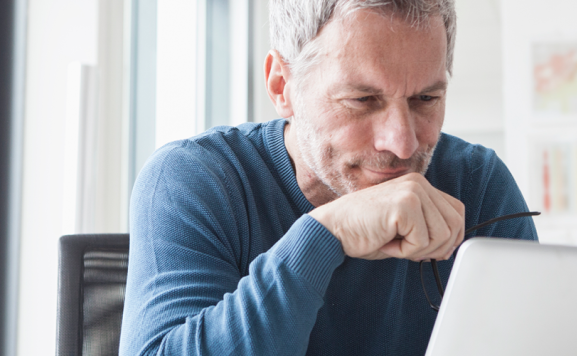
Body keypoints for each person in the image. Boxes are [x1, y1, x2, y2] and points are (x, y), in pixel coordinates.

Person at [118, 0, 537, 354]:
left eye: (426, 99)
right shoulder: (193, 181)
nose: (403, 143)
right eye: (362, 100)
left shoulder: (479, 184)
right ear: (282, 85)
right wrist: (325, 234)